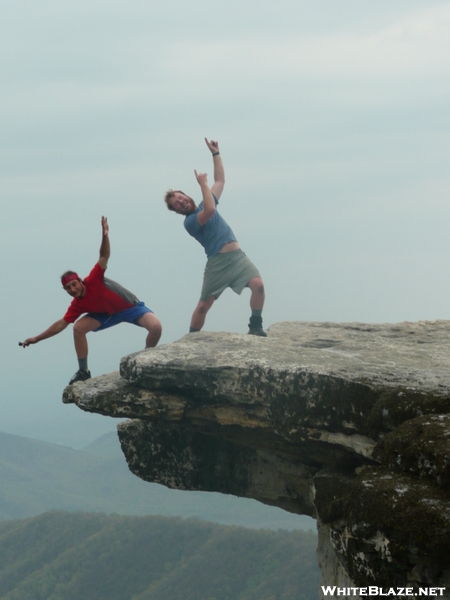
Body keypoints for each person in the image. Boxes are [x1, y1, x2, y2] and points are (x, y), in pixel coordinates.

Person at [21, 216, 162, 384]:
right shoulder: (77, 304)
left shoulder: (94, 279)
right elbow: (61, 324)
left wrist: (105, 236)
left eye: (74, 284)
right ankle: (83, 372)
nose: (73, 289)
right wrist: (37, 338)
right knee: (78, 328)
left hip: (130, 307)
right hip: (105, 315)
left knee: (156, 327)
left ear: (80, 281)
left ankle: (146, 360)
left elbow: (104, 255)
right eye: (68, 288)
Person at [164, 138, 266, 336]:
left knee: (259, 286)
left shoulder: (204, 203)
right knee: (203, 306)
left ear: (186, 195)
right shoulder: (190, 222)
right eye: (177, 203)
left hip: (237, 257)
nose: (181, 202)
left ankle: (255, 326)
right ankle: (191, 339)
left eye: (181, 197)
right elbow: (210, 210)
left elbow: (220, 181)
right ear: (177, 210)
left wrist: (215, 153)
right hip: (217, 264)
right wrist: (203, 183)